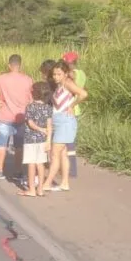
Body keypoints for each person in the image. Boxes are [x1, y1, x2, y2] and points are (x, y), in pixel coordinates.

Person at [0, 54, 34, 180]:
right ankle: (18, 171)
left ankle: (0, 171)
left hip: (4, 116)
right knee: (19, 146)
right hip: (21, 117)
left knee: (2, 145)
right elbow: (32, 100)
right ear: (20, 65)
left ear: (9, 65)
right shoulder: (28, 80)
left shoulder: (2, 78)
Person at [42, 59, 88, 193]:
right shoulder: (59, 85)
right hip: (59, 121)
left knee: (55, 154)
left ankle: (47, 183)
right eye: (54, 74)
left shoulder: (68, 83)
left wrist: (72, 106)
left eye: (59, 74)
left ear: (66, 74)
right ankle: (65, 183)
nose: (56, 77)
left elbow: (83, 94)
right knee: (62, 154)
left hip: (65, 122)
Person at [20, 82, 53, 197]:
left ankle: (31, 190)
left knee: (31, 164)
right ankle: (40, 189)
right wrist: (48, 140)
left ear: (34, 93)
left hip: (30, 139)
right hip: (43, 140)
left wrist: (39, 129)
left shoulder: (30, 107)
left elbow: (30, 123)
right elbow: (49, 125)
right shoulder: (48, 108)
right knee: (41, 164)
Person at [62, 51, 86, 179]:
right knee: (69, 141)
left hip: (70, 109)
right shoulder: (82, 73)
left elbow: (71, 78)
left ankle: (71, 169)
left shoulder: (73, 75)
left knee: (68, 142)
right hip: (75, 109)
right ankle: (68, 168)